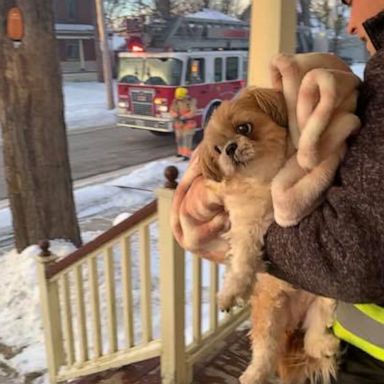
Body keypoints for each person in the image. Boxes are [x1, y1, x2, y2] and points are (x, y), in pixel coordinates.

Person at [171, 1, 384, 382]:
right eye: (221, 149)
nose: (351, 25)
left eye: (352, 2)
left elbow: (353, 258)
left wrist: (238, 243)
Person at [170, 87, 197, 160]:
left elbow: (193, 111)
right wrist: (175, 114)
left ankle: (187, 155)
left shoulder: (190, 101)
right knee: (179, 139)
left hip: (188, 123)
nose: (178, 98)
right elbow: (172, 110)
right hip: (178, 123)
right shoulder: (175, 101)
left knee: (187, 139)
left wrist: (185, 116)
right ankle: (180, 153)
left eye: (180, 96)